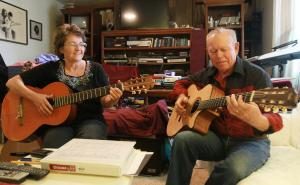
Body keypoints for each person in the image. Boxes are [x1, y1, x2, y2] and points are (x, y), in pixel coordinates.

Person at [165, 27, 283, 185]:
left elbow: (276, 118)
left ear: (236, 47)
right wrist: (181, 96)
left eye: (223, 49)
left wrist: (258, 120)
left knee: (233, 168)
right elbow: (181, 83)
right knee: (182, 139)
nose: (218, 56)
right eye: (213, 51)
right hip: (217, 138)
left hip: (250, 142)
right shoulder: (206, 75)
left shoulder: (257, 76)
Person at [6, 24, 123, 148]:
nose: (79, 48)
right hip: (57, 123)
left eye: (82, 44)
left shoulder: (96, 68)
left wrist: (111, 100)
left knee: (89, 144)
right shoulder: (50, 68)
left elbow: (105, 101)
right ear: (61, 48)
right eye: (73, 44)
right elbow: (12, 82)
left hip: (90, 120)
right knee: (53, 146)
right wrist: (35, 98)